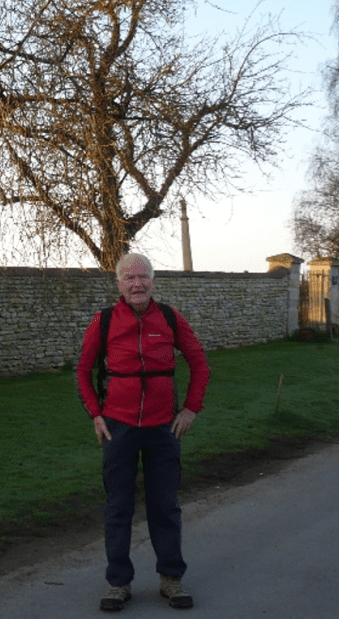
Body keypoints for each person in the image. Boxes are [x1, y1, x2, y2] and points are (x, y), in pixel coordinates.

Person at [76, 252, 210, 612]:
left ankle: (171, 579)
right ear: (118, 284)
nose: (138, 284)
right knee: (118, 507)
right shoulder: (104, 320)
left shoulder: (170, 317)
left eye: (143, 277)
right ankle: (118, 583)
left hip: (163, 428)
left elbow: (199, 362)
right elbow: (83, 370)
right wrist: (96, 415)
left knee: (165, 506)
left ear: (153, 280)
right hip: (118, 428)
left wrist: (190, 409)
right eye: (129, 278)